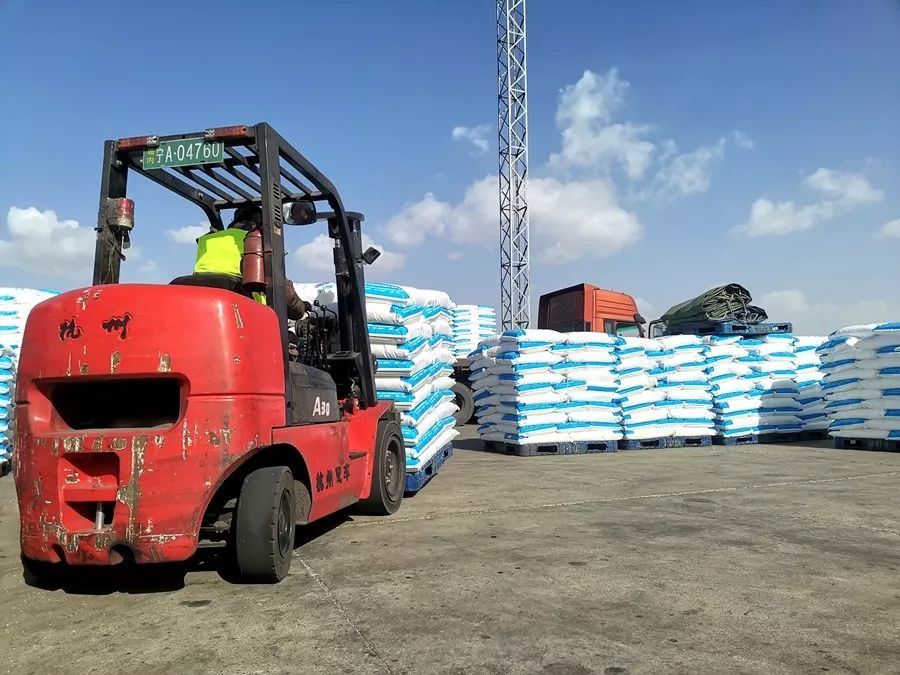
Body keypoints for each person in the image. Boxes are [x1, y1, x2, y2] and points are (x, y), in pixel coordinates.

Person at [190, 204, 310, 320]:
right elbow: (282, 288)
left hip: (205, 312)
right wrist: (300, 308)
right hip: (246, 316)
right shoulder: (256, 241)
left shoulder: (208, 240)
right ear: (257, 224)